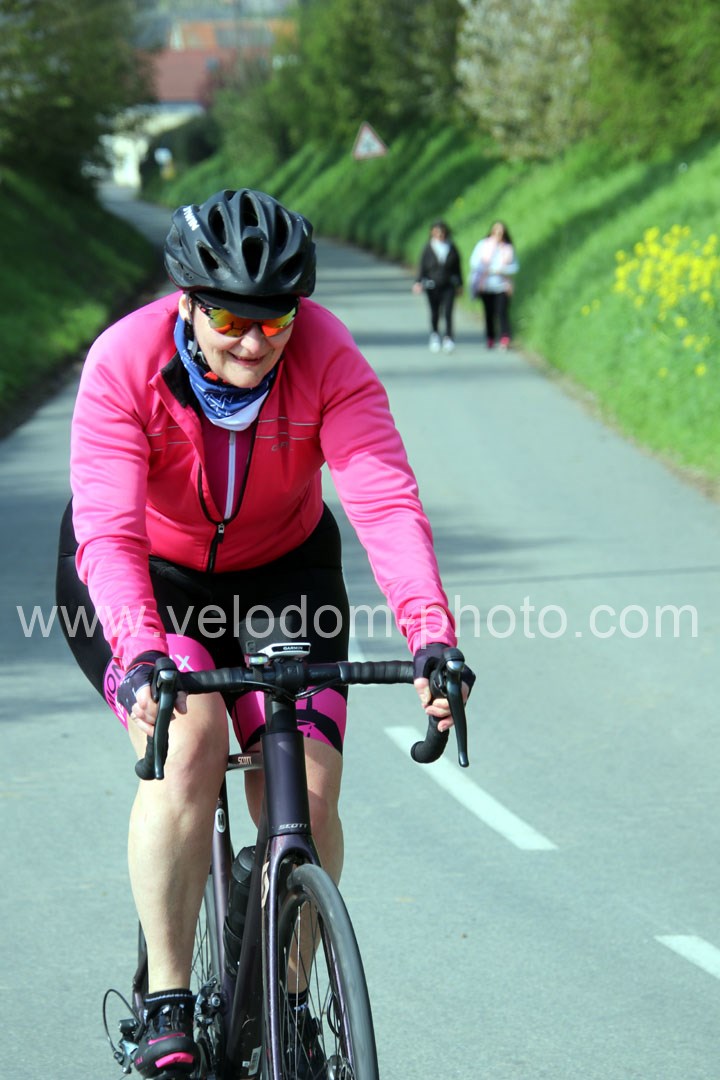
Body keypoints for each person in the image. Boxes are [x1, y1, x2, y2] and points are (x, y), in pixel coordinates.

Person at [56, 188, 473, 1079]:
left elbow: (384, 502)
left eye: (274, 321)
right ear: (187, 305)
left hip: (284, 573)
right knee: (190, 742)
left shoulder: (328, 354)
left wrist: (432, 637)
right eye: (230, 321)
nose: (253, 343)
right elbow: (110, 534)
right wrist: (141, 657)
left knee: (309, 794)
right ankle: (166, 999)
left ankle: (287, 1002)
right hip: (146, 578)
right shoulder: (125, 360)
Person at [412, 220, 463, 353]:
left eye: (442, 232)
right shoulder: (428, 248)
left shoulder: (451, 247)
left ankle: (448, 337)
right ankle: (434, 335)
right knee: (435, 311)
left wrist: (460, 284)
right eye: (437, 232)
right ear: (432, 233)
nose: (439, 234)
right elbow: (422, 267)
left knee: (448, 312)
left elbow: (458, 268)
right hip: (432, 285)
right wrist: (418, 282)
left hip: (448, 285)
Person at [469, 221, 519, 349]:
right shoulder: (483, 245)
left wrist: (501, 270)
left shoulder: (508, 248)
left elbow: (514, 267)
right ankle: (490, 336)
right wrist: (487, 269)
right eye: (496, 231)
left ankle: (505, 337)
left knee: (502, 312)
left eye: (501, 232)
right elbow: (474, 262)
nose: (498, 234)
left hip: (502, 285)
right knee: (489, 313)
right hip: (486, 286)